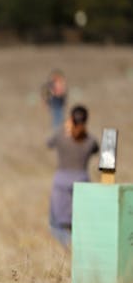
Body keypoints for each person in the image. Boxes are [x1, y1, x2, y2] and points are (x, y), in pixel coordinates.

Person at [47, 104, 99, 247]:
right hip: (82, 181)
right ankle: (79, 246)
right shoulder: (89, 140)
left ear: (70, 119)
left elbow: (49, 143)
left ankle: (68, 244)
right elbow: (96, 148)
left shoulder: (61, 136)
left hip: (61, 181)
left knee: (56, 222)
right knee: (80, 221)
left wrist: (65, 128)